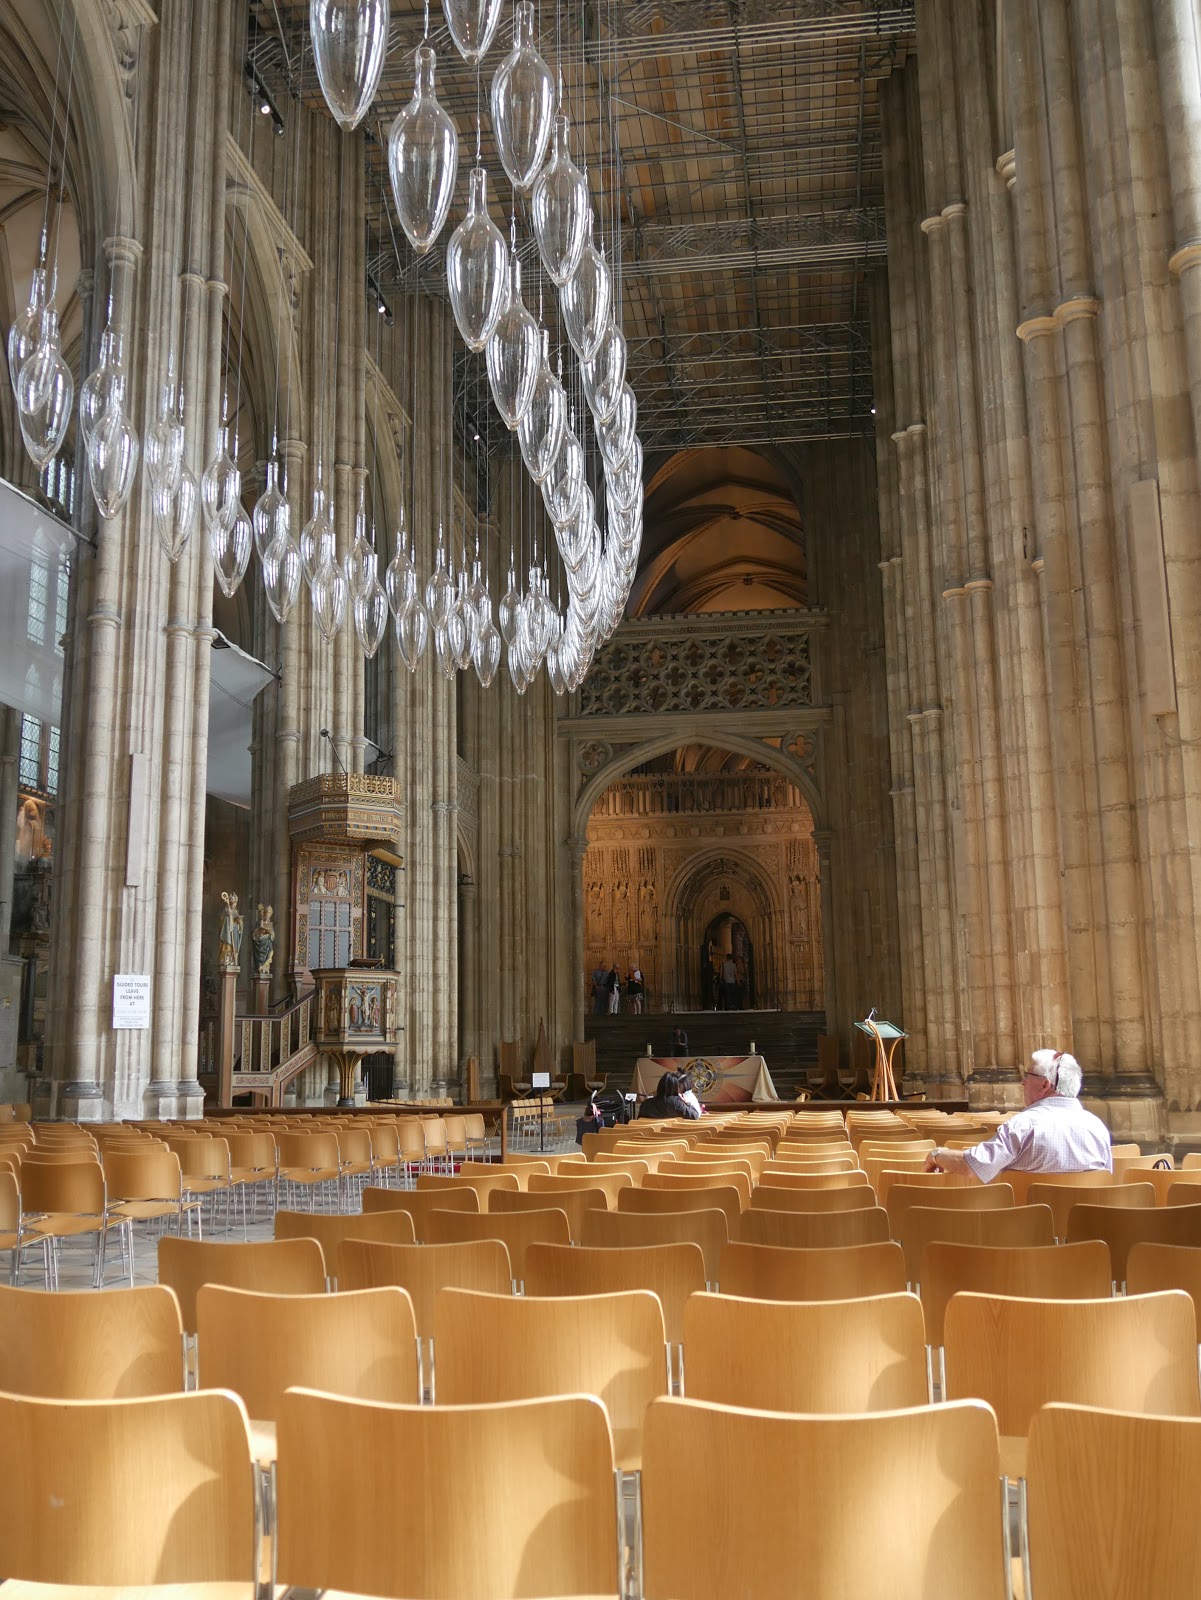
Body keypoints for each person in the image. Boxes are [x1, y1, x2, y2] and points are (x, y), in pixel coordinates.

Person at [924, 1049, 1112, 1181]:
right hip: (1084, 1225)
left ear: (1045, 1085)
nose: (1023, 1082)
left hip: (1028, 1224)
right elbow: (1106, 1179)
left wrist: (937, 1154)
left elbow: (973, 1166)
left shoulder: (1022, 1125)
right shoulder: (1097, 1127)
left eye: (1028, 1076)